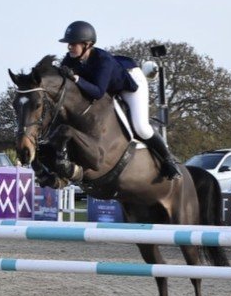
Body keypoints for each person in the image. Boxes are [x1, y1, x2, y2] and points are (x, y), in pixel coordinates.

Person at [58, 20, 181, 180]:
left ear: (87, 44)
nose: (69, 47)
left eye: (73, 44)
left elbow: (97, 92)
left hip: (130, 84)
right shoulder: (70, 58)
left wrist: (76, 79)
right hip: (109, 88)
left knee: (141, 127)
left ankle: (168, 159)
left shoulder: (103, 60)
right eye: (68, 44)